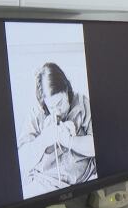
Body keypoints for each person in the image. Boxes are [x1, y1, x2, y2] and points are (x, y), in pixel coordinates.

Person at [18, 62, 96, 197]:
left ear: (66, 90)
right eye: (52, 107)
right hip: (47, 183)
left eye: (60, 103)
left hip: (86, 177)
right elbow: (23, 161)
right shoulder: (36, 114)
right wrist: (44, 140)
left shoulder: (81, 102)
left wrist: (69, 141)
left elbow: (98, 146)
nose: (57, 111)